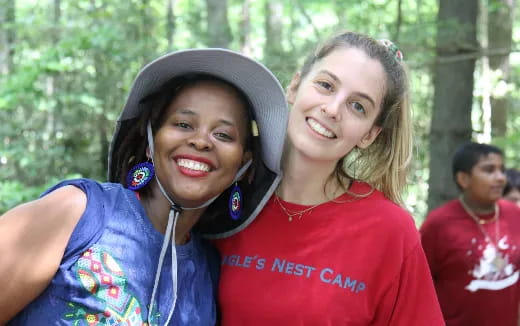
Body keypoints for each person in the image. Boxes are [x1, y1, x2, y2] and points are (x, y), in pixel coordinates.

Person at [0, 49, 288, 325]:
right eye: (184, 124)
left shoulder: (210, 272)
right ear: (151, 141)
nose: (201, 141)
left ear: (243, 166)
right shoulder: (78, 211)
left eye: (223, 134)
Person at [201, 31, 444, 325]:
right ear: (294, 86)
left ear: (369, 134)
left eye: (358, 106)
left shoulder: (390, 230)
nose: (332, 109)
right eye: (326, 85)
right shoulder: (227, 194)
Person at [420, 142, 520, 326]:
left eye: (501, 170)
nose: (500, 178)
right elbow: (417, 288)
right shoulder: (438, 225)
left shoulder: (515, 215)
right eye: (489, 170)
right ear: (463, 179)